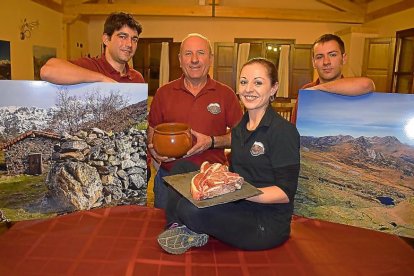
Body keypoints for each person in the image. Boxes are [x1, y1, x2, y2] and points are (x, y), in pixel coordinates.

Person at [157, 57, 300, 254]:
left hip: (265, 223)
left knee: (190, 208)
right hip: (238, 204)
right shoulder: (240, 128)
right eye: (243, 82)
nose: (249, 89)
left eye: (258, 82)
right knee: (180, 170)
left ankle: (190, 223)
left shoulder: (283, 132)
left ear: (273, 88)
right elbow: (238, 172)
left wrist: (237, 192)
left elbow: (285, 193)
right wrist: (219, 178)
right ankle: (178, 227)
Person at [147, 33, 243, 209]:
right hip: (169, 182)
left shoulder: (226, 94)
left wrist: (212, 142)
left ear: (211, 58)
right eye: (188, 54)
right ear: (180, 59)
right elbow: (151, 134)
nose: (194, 60)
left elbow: (242, 137)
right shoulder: (163, 93)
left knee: (211, 234)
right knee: (164, 231)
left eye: (201, 53)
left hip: (212, 184)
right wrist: (154, 152)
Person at [291, 33, 375, 124]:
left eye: (332, 55)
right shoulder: (306, 91)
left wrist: (317, 89)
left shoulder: (355, 90)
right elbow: (294, 128)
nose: (326, 62)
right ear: (313, 62)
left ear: (344, 58)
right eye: (319, 57)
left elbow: (367, 85)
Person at [40, 12, 144, 84]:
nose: (129, 44)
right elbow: (47, 71)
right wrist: (101, 79)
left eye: (134, 39)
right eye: (122, 37)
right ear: (106, 39)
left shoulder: (137, 78)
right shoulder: (89, 66)